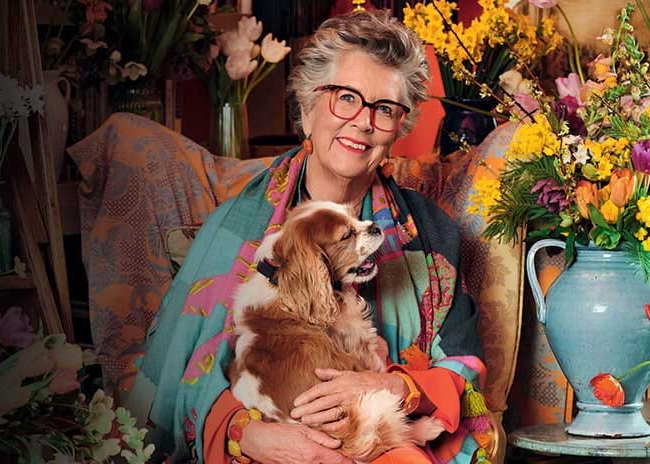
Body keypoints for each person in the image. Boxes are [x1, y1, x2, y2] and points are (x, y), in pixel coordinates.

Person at [123, 10, 490, 464]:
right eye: (345, 98)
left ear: (400, 126)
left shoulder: (431, 234)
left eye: (384, 109)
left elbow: (465, 368)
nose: (363, 122)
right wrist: (245, 435)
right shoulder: (234, 229)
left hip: (389, 438)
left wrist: (392, 385)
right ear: (306, 108)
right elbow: (180, 376)